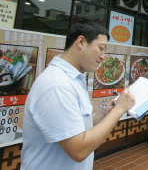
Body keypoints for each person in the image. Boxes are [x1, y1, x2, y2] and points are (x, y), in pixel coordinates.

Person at [21, 22, 136, 170]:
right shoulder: (57, 85)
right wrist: (120, 109)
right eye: (101, 49)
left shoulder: (73, 79)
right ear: (81, 42)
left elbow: (75, 124)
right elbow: (79, 150)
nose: (103, 57)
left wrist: (105, 115)